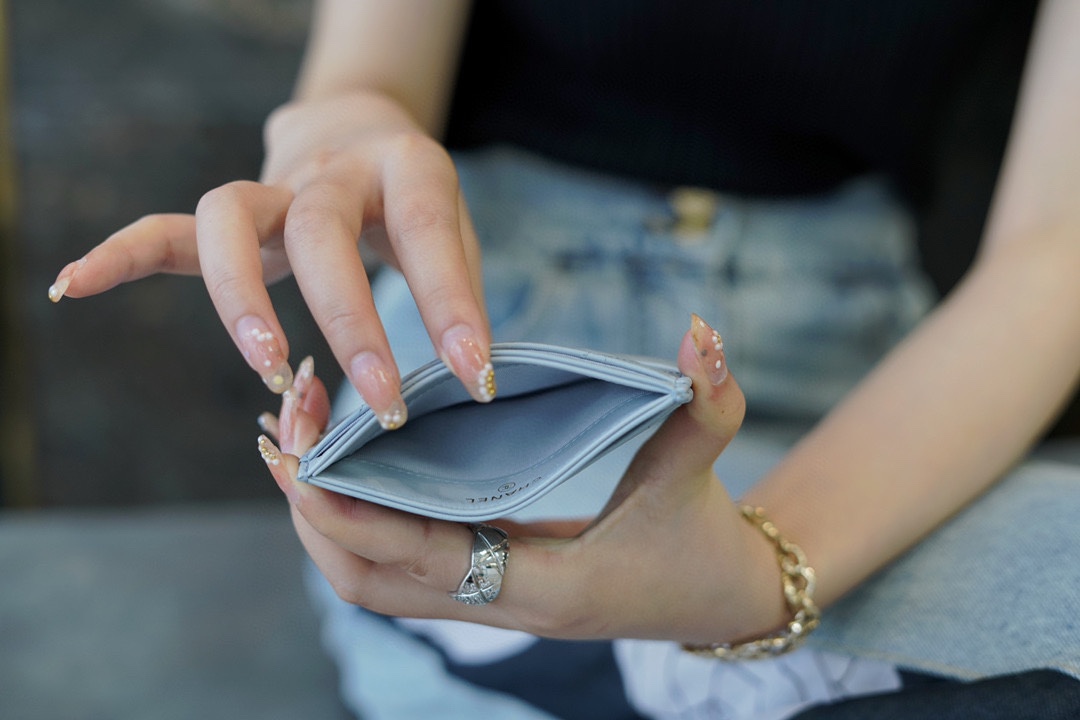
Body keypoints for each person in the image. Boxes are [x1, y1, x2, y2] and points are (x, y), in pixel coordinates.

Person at [49, 1, 1080, 717]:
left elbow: (1056, 250)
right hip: (501, 354)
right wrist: (336, 144)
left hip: (893, 417)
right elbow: (366, 73)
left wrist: (762, 575)